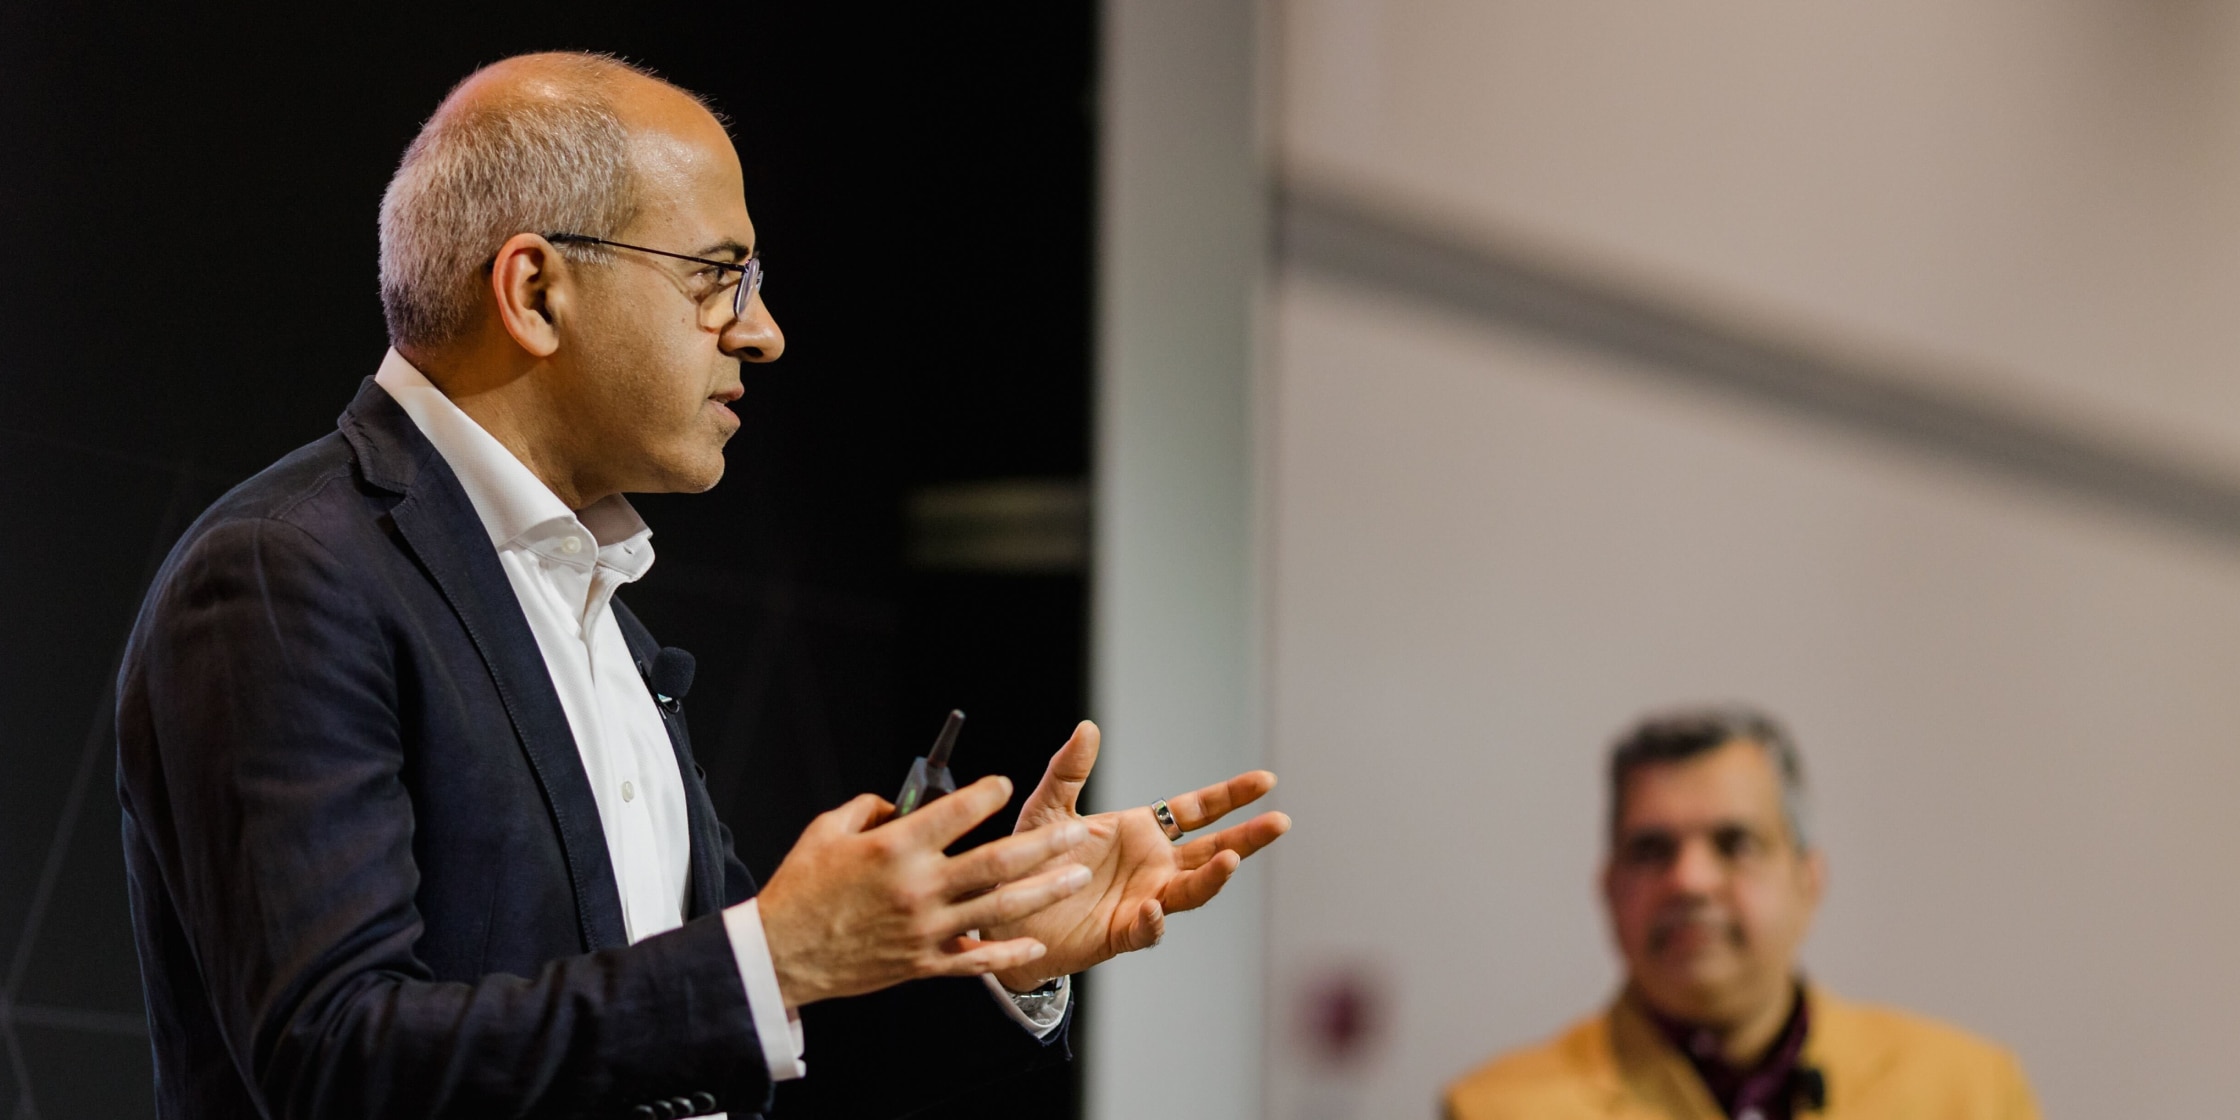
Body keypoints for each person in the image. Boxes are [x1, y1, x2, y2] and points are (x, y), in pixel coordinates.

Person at [115, 51, 1290, 1120]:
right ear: (533, 292)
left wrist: (992, 948)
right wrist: (770, 955)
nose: (764, 331)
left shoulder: (591, 610)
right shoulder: (285, 572)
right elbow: (332, 1061)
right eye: (719, 275)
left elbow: (697, 1040)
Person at [1444, 707, 2036, 1120]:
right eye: (1652, 850)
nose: (1690, 881)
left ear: (1809, 882)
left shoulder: (1970, 1095)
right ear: (1607, 890)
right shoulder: (1497, 1110)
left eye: (1735, 844)